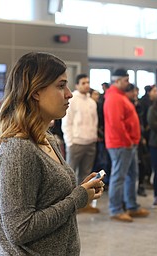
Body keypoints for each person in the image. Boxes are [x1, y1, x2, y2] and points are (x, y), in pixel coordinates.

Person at [0, 52, 104, 255]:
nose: (69, 93)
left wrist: (82, 190)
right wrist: (77, 198)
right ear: (35, 92)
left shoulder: (46, 138)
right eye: (61, 86)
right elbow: (19, 229)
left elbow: (48, 199)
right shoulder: (19, 149)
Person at [104, 68, 149, 222]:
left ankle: (132, 205)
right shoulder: (114, 98)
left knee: (131, 175)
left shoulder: (120, 96)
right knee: (119, 177)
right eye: (126, 80)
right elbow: (116, 123)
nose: (128, 83)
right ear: (117, 80)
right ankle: (115, 209)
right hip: (121, 144)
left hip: (128, 144)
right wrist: (128, 140)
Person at [62, 74, 99, 213]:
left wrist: (93, 137)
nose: (86, 85)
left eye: (88, 82)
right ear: (77, 85)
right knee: (70, 174)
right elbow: (67, 122)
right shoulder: (73, 100)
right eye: (83, 83)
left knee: (86, 174)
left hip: (90, 142)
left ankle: (85, 204)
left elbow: (95, 122)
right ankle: (69, 205)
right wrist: (69, 142)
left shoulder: (92, 102)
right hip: (76, 142)